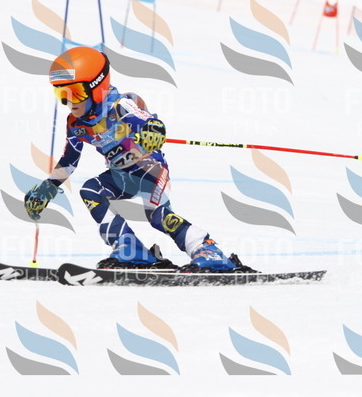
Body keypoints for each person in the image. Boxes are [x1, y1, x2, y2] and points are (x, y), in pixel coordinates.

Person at [24, 46, 253, 273]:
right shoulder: (76, 125)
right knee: (91, 191)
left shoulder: (120, 105)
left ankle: (208, 250)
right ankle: (130, 249)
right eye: (61, 94)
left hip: (149, 169)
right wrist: (48, 187)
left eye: (76, 93)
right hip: (120, 176)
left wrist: (153, 129)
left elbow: (145, 119)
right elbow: (69, 161)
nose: (70, 102)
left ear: (97, 87)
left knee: (158, 216)